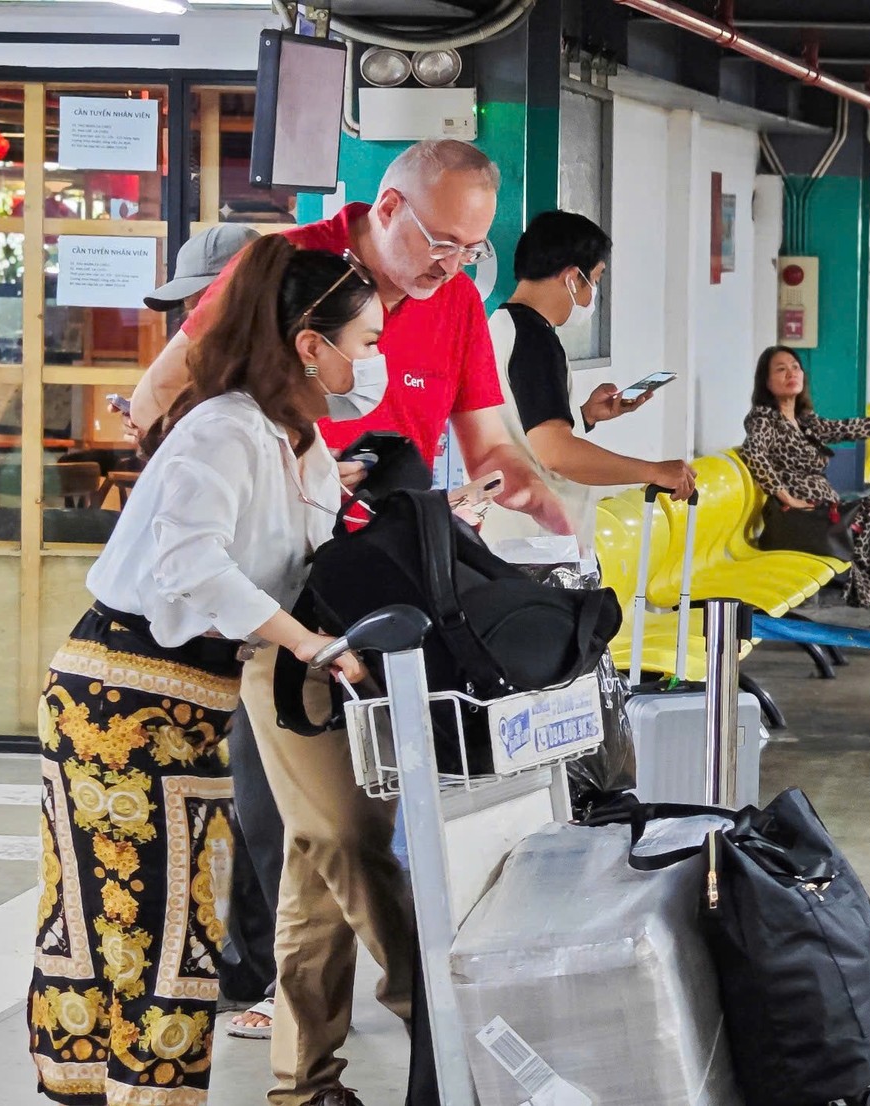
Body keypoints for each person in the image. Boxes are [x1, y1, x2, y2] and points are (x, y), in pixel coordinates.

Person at [131, 139, 567, 1106]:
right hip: (280, 612)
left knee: (317, 848)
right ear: (388, 207)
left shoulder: (450, 301)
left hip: (380, 594)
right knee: (339, 835)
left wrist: (512, 492)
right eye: (443, 239)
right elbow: (157, 403)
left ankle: (305, 1079)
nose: (456, 264)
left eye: (473, 248)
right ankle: (452, 1029)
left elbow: (484, 444)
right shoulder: (282, 277)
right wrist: (252, 479)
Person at [28, 239, 375, 1106]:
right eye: (364, 342)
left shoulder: (301, 442)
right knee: (142, 923)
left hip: (192, 703)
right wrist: (305, 643)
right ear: (309, 344)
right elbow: (193, 567)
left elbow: (306, 561)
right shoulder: (222, 430)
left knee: (174, 923)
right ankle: (111, 1092)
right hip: (122, 698)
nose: (372, 362)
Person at [133, 222, 289, 1042]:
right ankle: (244, 968)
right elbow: (190, 564)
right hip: (178, 660)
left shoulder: (247, 415)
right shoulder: (208, 416)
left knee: (252, 813)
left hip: (224, 652)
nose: (187, 326)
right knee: (227, 816)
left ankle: (251, 970)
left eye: (200, 305)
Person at [489, 209, 695, 545]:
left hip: (508, 534)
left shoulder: (500, 327)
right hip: (535, 543)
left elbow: (522, 430)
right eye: (595, 279)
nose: (593, 293)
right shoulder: (535, 341)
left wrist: (583, 415)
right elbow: (556, 454)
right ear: (572, 278)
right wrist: (654, 471)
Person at [738, 345, 870, 637]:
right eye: (780, 369)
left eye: (795, 366)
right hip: (795, 520)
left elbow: (850, 428)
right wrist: (785, 495)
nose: (791, 373)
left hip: (821, 514)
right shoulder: (763, 419)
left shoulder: (805, 421)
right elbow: (753, 452)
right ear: (766, 381)